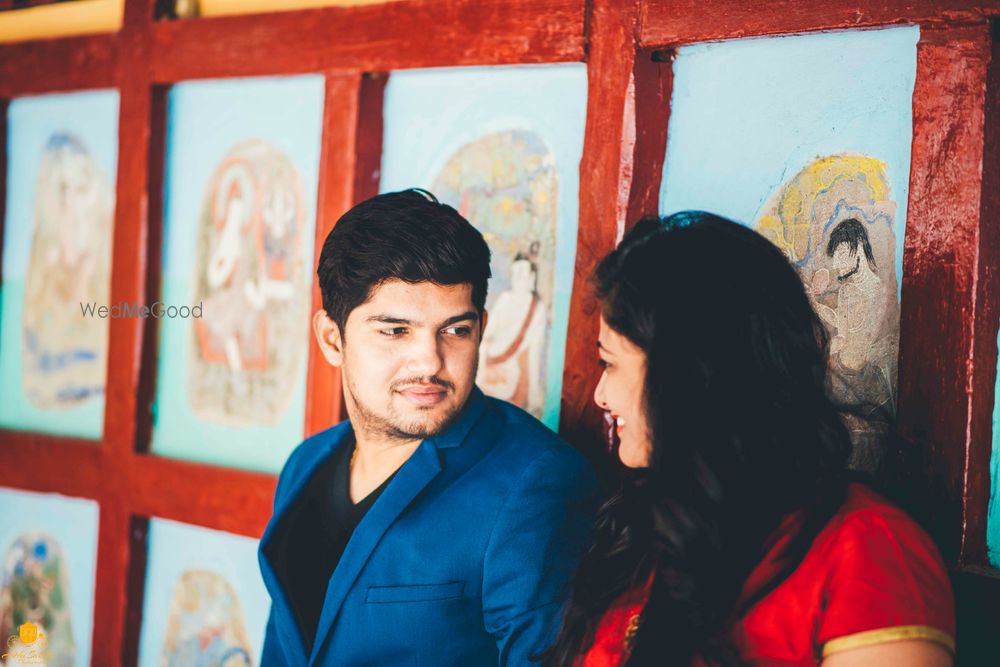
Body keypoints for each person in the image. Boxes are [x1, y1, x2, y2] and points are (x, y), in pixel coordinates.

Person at [544, 211, 955, 666]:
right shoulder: (651, 528)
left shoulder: (867, 550)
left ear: (690, 376)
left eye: (610, 364)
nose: (600, 396)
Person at [257, 189, 600, 666]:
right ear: (333, 339)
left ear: (481, 328)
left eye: (455, 330)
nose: (430, 362)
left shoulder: (536, 482)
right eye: (395, 331)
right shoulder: (305, 464)